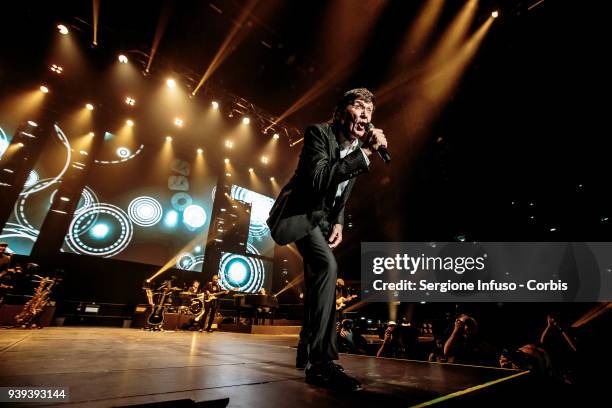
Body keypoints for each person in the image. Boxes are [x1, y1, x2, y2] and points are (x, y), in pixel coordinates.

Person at [267, 88, 387, 391]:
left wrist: (338, 221)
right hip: (299, 215)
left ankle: (306, 350)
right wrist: (367, 154)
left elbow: (341, 192)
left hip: (321, 221)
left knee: (316, 281)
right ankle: (321, 364)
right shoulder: (319, 134)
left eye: (369, 111)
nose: (365, 115)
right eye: (359, 107)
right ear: (340, 111)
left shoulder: (355, 149)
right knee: (327, 268)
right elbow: (319, 179)